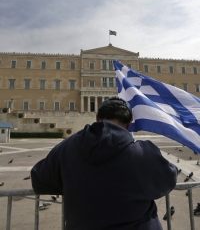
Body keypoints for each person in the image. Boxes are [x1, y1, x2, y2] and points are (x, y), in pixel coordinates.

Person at [31, 97, 178, 230]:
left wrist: (75, 183)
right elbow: (169, 178)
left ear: (97, 118)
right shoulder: (143, 152)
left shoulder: (67, 147)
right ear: (129, 124)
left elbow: (39, 180)